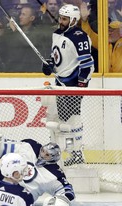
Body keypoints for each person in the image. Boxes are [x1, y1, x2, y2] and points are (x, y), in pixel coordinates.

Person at [41, 4, 94, 166]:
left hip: (73, 84)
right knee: (63, 121)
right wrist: (49, 65)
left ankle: (77, 152)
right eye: (61, 17)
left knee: (73, 120)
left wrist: (80, 85)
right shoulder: (57, 34)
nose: (61, 21)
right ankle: (71, 153)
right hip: (59, 83)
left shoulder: (79, 36)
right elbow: (56, 57)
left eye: (65, 18)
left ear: (73, 20)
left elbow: (87, 64)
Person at [0, 3, 48, 72]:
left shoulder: (37, 33)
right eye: (20, 14)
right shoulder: (12, 32)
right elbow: (1, 51)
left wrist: (15, 30)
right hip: (11, 71)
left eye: (23, 14)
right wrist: (1, 32)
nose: (20, 17)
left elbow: (27, 46)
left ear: (32, 18)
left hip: (29, 72)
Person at [80, 1, 122, 73]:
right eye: (108, 30)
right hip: (106, 80)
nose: (109, 32)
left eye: (112, 30)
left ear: (120, 32)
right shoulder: (103, 42)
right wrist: (84, 21)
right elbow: (89, 35)